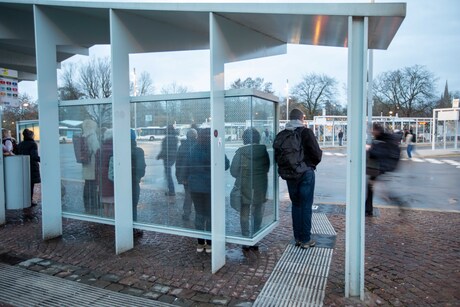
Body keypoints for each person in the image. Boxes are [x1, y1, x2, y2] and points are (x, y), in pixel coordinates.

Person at [275, 109, 322, 249]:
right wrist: (309, 165)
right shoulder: (305, 132)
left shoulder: (282, 134)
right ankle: (306, 239)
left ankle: (297, 238)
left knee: (296, 205)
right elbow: (316, 154)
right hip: (305, 173)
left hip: (290, 175)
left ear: (290, 118)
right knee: (306, 206)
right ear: (301, 118)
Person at [187, 128, 229, 253]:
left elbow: (188, 166)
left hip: (195, 187)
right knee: (210, 214)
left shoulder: (193, 149)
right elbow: (226, 165)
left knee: (199, 213)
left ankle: (200, 243)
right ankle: (210, 244)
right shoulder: (215, 148)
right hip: (211, 187)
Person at [230, 128, 270, 251]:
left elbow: (233, 171)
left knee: (244, 212)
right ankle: (256, 235)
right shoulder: (263, 151)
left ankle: (245, 238)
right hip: (260, 186)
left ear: (244, 139)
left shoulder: (241, 152)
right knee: (258, 211)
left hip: (245, 186)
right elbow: (267, 168)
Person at [365, 123, 401, 216]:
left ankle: (397, 201)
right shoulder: (384, 138)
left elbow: (379, 153)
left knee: (377, 189)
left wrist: (369, 149)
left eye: (372, 130)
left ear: (377, 130)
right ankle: (368, 209)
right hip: (382, 167)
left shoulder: (382, 139)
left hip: (381, 168)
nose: (371, 132)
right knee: (371, 187)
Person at [175, 128, 198, 221]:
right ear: (196, 136)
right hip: (197, 176)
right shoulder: (199, 145)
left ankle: (186, 213)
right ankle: (199, 214)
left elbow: (179, 164)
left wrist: (180, 177)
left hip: (187, 177)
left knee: (188, 196)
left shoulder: (183, 146)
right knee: (198, 196)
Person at [16, 129, 40, 208]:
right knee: (31, 184)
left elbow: (16, 155)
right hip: (31, 166)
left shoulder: (20, 144)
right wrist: (43, 159)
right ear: (31, 136)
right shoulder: (33, 144)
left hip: (21, 166)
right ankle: (29, 201)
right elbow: (34, 156)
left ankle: (24, 200)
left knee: (24, 184)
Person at [81, 119, 100, 214]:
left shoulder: (84, 135)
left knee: (87, 185)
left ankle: (86, 205)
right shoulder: (92, 136)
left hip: (85, 165)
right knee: (92, 186)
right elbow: (97, 150)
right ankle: (92, 206)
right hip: (92, 165)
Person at [96, 129, 114, 217]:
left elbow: (96, 167)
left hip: (102, 178)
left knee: (105, 204)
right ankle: (114, 222)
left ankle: (106, 220)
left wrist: (97, 183)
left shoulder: (100, 150)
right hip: (112, 179)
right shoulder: (116, 149)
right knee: (115, 204)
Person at [157, 124, 178, 196]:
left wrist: (159, 156)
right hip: (173, 157)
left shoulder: (166, 139)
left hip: (167, 158)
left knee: (168, 174)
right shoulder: (175, 138)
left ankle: (171, 191)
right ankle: (170, 189)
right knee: (167, 173)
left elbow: (164, 149)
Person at [131, 129, 146, 222]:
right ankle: (133, 225)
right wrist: (137, 177)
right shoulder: (139, 151)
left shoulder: (118, 150)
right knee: (133, 206)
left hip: (120, 184)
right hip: (134, 182)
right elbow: (141, 169)